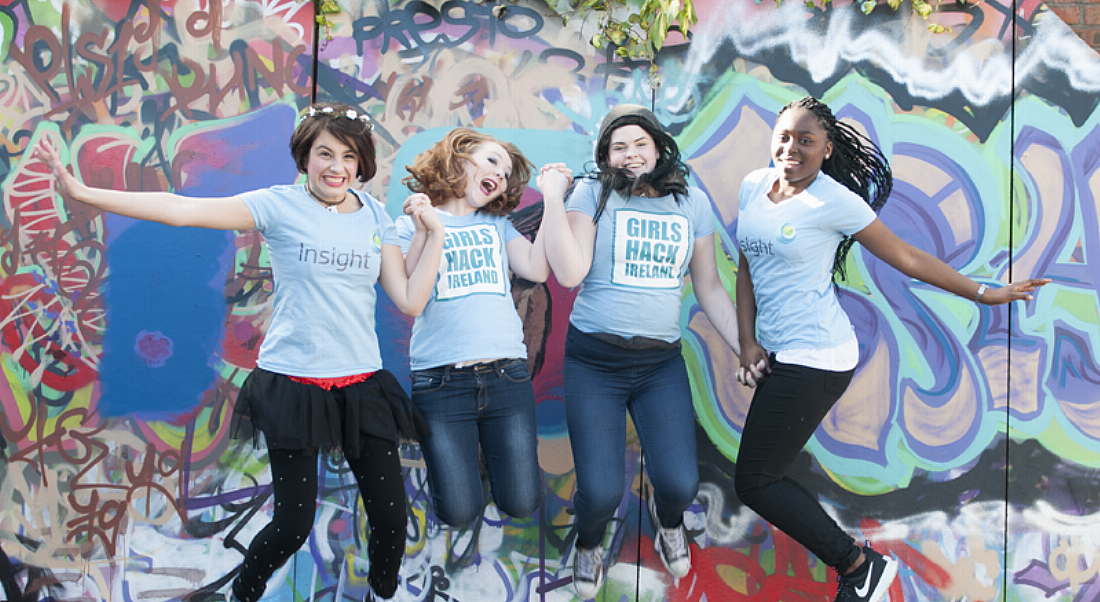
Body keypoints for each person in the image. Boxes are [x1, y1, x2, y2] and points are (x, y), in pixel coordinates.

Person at [32, 101, 445, 602]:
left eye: (349, 157)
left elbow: (410, 298)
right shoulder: (278, 205)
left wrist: (433, 234)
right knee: (293, 525)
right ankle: (243, 593)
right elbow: (182, 211)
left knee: (391, 520)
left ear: (361, 165)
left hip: (362, 386)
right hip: (294, 384)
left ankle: (382, 592)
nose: (336, 167)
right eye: (325, 154)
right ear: (305, 157)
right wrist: (82, 192)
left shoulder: (376, 217)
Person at [733, 96, 1050, 602]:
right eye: (784, 136)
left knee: (756, 481)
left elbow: (906, 256)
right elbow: (748, 263)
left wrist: (986, 293)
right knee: (761, 477)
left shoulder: (835, 202)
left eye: (805, 140)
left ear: (827, 148)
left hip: (818, 358)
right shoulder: (754, 185)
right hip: (781, 354)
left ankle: (860, 566)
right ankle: (860, 566)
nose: (791, 148)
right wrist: (748, 341)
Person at [545, 104, 741, 598]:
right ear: (606, 156)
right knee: (602, 491)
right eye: (619, 147)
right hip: (595, 362)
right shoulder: (592, 194)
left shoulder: (691, 204)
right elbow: (570, 274)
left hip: (659, 365)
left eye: (640, 144)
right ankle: (590, 540)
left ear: (658, 147)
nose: (631, 155)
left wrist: (745, 348)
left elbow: (711, 288)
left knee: (678, 483)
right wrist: (553, 198)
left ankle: (667, 519)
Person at [384, 128, 573, 529]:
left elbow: (537, 269)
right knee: (458, 512)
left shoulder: (496, 225)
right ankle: (466, 478)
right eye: (492, 162)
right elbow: (408, 288)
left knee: (522, 502)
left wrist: (553, 197)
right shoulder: (410, 223)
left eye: (505, 174)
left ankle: (488, 465)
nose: (500, 176)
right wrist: (423, 229)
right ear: (459, 157)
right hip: (440, 382)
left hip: (506, 376)